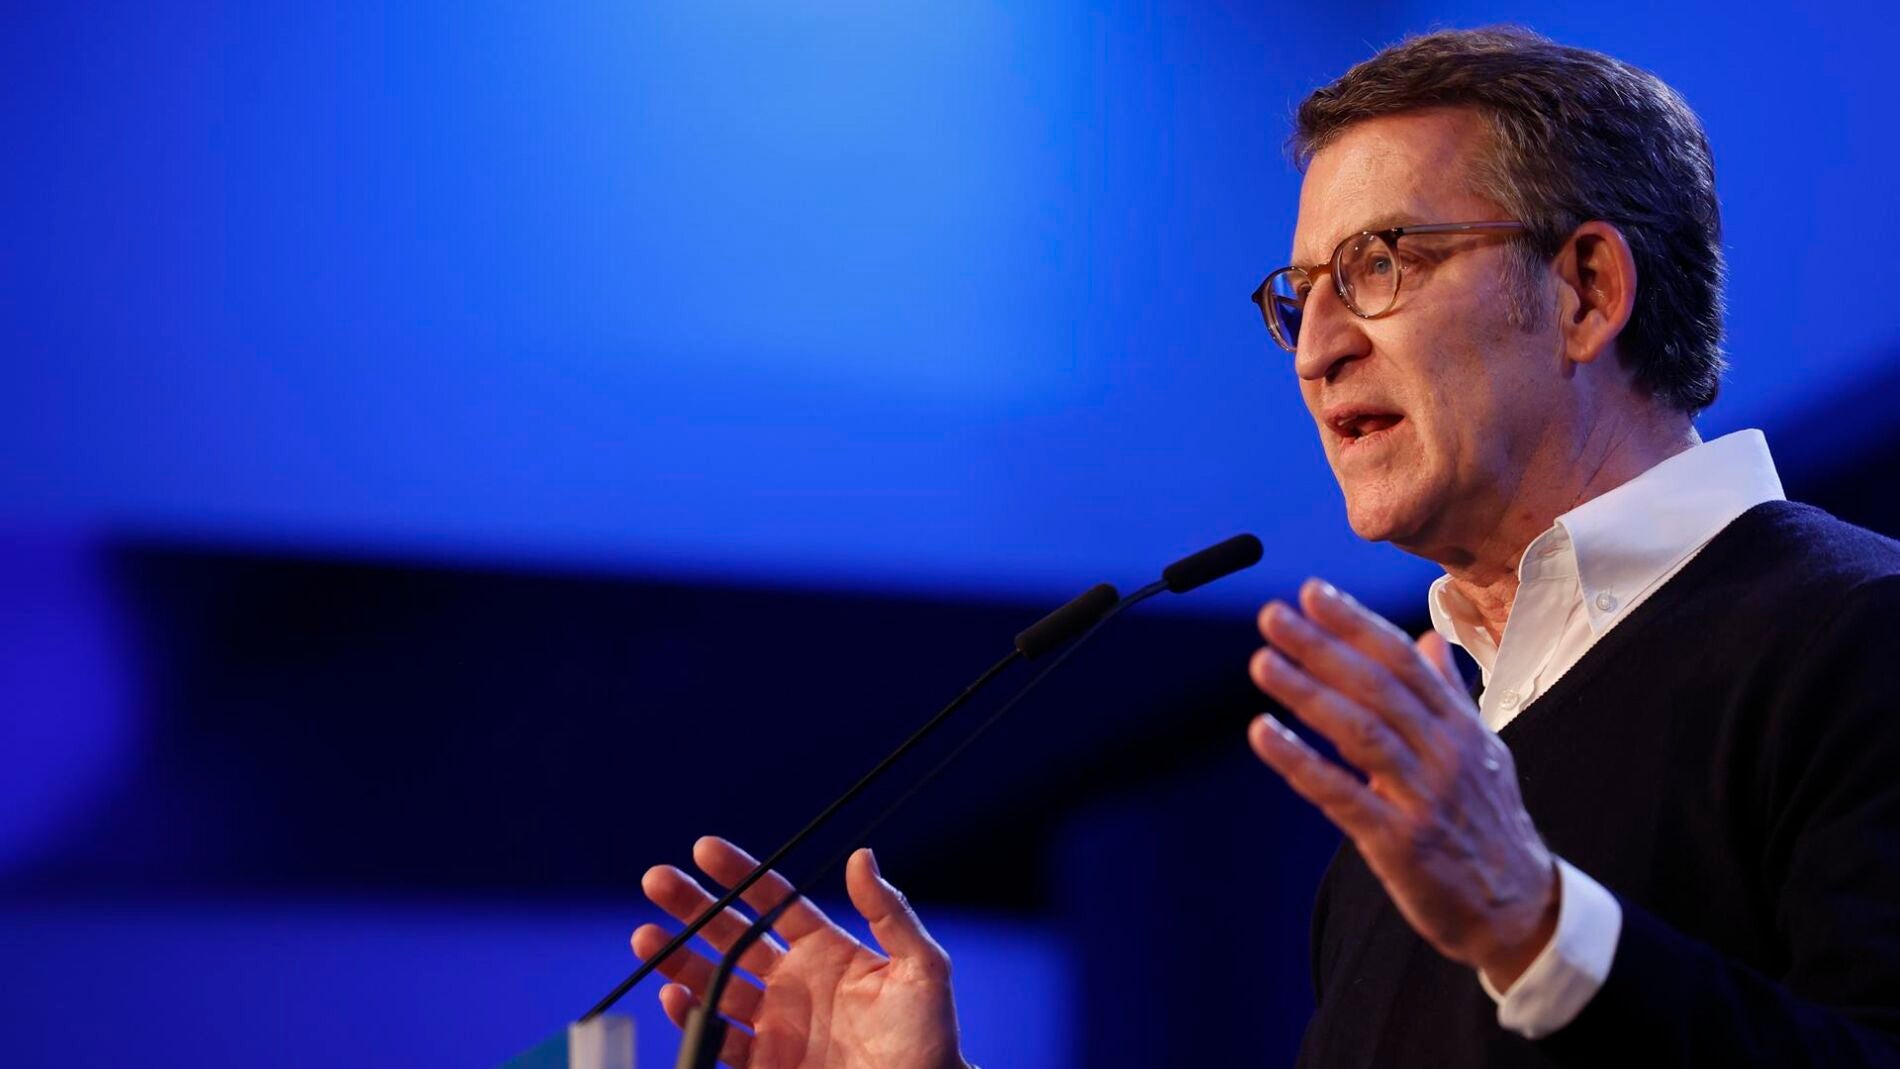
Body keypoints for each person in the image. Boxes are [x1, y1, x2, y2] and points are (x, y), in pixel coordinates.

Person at [629, 27, 1900, 1067]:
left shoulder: (1856, 635)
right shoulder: (1415, 799)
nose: (1317, 348)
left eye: (1381, 263)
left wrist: (1537, 928)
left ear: (1585, 290)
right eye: (1300, 297)